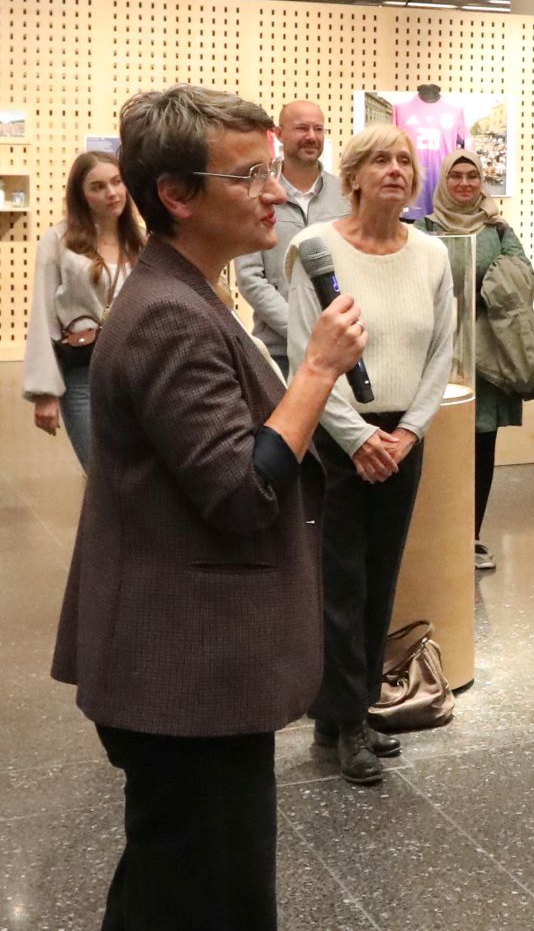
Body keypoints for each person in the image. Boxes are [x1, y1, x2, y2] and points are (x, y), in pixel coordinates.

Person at [50, 85, 367, 930]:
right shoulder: (167, 316)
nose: (275, 190)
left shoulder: (187, 292)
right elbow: (240, 488)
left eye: (271, 168)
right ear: (177, 196)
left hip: (195, 665)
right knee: (193, 889)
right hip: (181, 667)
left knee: (197, 881)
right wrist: (316, 372)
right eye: (249, 175)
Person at [288, 123, 453, 784]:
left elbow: (441, 351)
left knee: (380, 576)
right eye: (379, 160)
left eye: (404, 160)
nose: (394, 169)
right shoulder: (313, 248)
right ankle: (347, 718)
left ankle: (343, 711)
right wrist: (358, 438)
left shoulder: (432, 255)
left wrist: (408, 430)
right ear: (351, 176)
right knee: (339, 579)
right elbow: (308, 352)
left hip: (403, 435)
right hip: (336, 434)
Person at [419, 150, 532, 571]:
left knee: (482, 448)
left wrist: (484, 287)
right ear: (443, 183)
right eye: (456, 177)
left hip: (486, 355)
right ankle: (438, 536)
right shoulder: (423, 229)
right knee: (437, 445)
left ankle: (473, 537)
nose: (465, 184)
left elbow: (522, 275)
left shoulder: (498, 229)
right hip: (437, 352)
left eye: (472, 177)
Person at [22, 151, 144, 471]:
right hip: (84, 377)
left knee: (137, 479)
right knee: (102, 477)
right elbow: (42, 317)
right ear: (82, 195)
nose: (112, 193)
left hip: (137, 377)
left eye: (117, 182)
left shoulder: (140, 240)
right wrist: (44, 392)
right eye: (98, 186)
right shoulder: (59, 241)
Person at [234, 100, 350, 376]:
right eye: (301, 128)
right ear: (279, 134)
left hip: (339, 353)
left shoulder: (345, 197)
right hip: (278, 354)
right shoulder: (260, 193)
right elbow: (250, 276)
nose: (311, 136)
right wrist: (300, 329)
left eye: (318, 129)